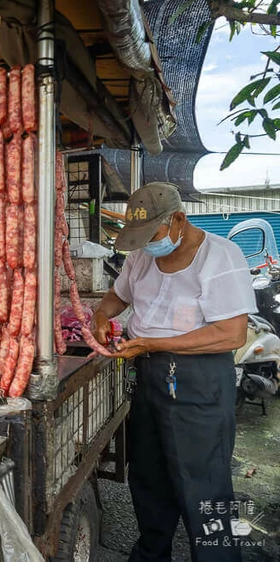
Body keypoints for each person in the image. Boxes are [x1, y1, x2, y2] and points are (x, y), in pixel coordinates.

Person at [91, 182, 255, 562]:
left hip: (199, 382)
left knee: (206, 485)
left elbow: (230, 333)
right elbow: (120, 295)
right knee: (148, 476)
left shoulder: (220, 257)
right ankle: (151, 553)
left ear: (179, 219)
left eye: (153, 234)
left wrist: (151, 344)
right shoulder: (141, 257)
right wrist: (101, 315)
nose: (148, 244)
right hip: (150, 377)